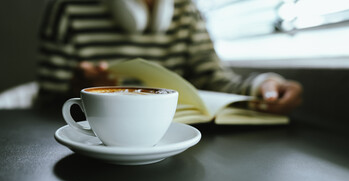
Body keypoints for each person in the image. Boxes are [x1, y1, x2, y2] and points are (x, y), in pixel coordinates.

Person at [37, 0, 302, 114]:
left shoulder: (184, 10)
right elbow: (47, 101)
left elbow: (213, 81)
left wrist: (263, 88)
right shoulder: (68, 9)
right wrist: (76, 91)